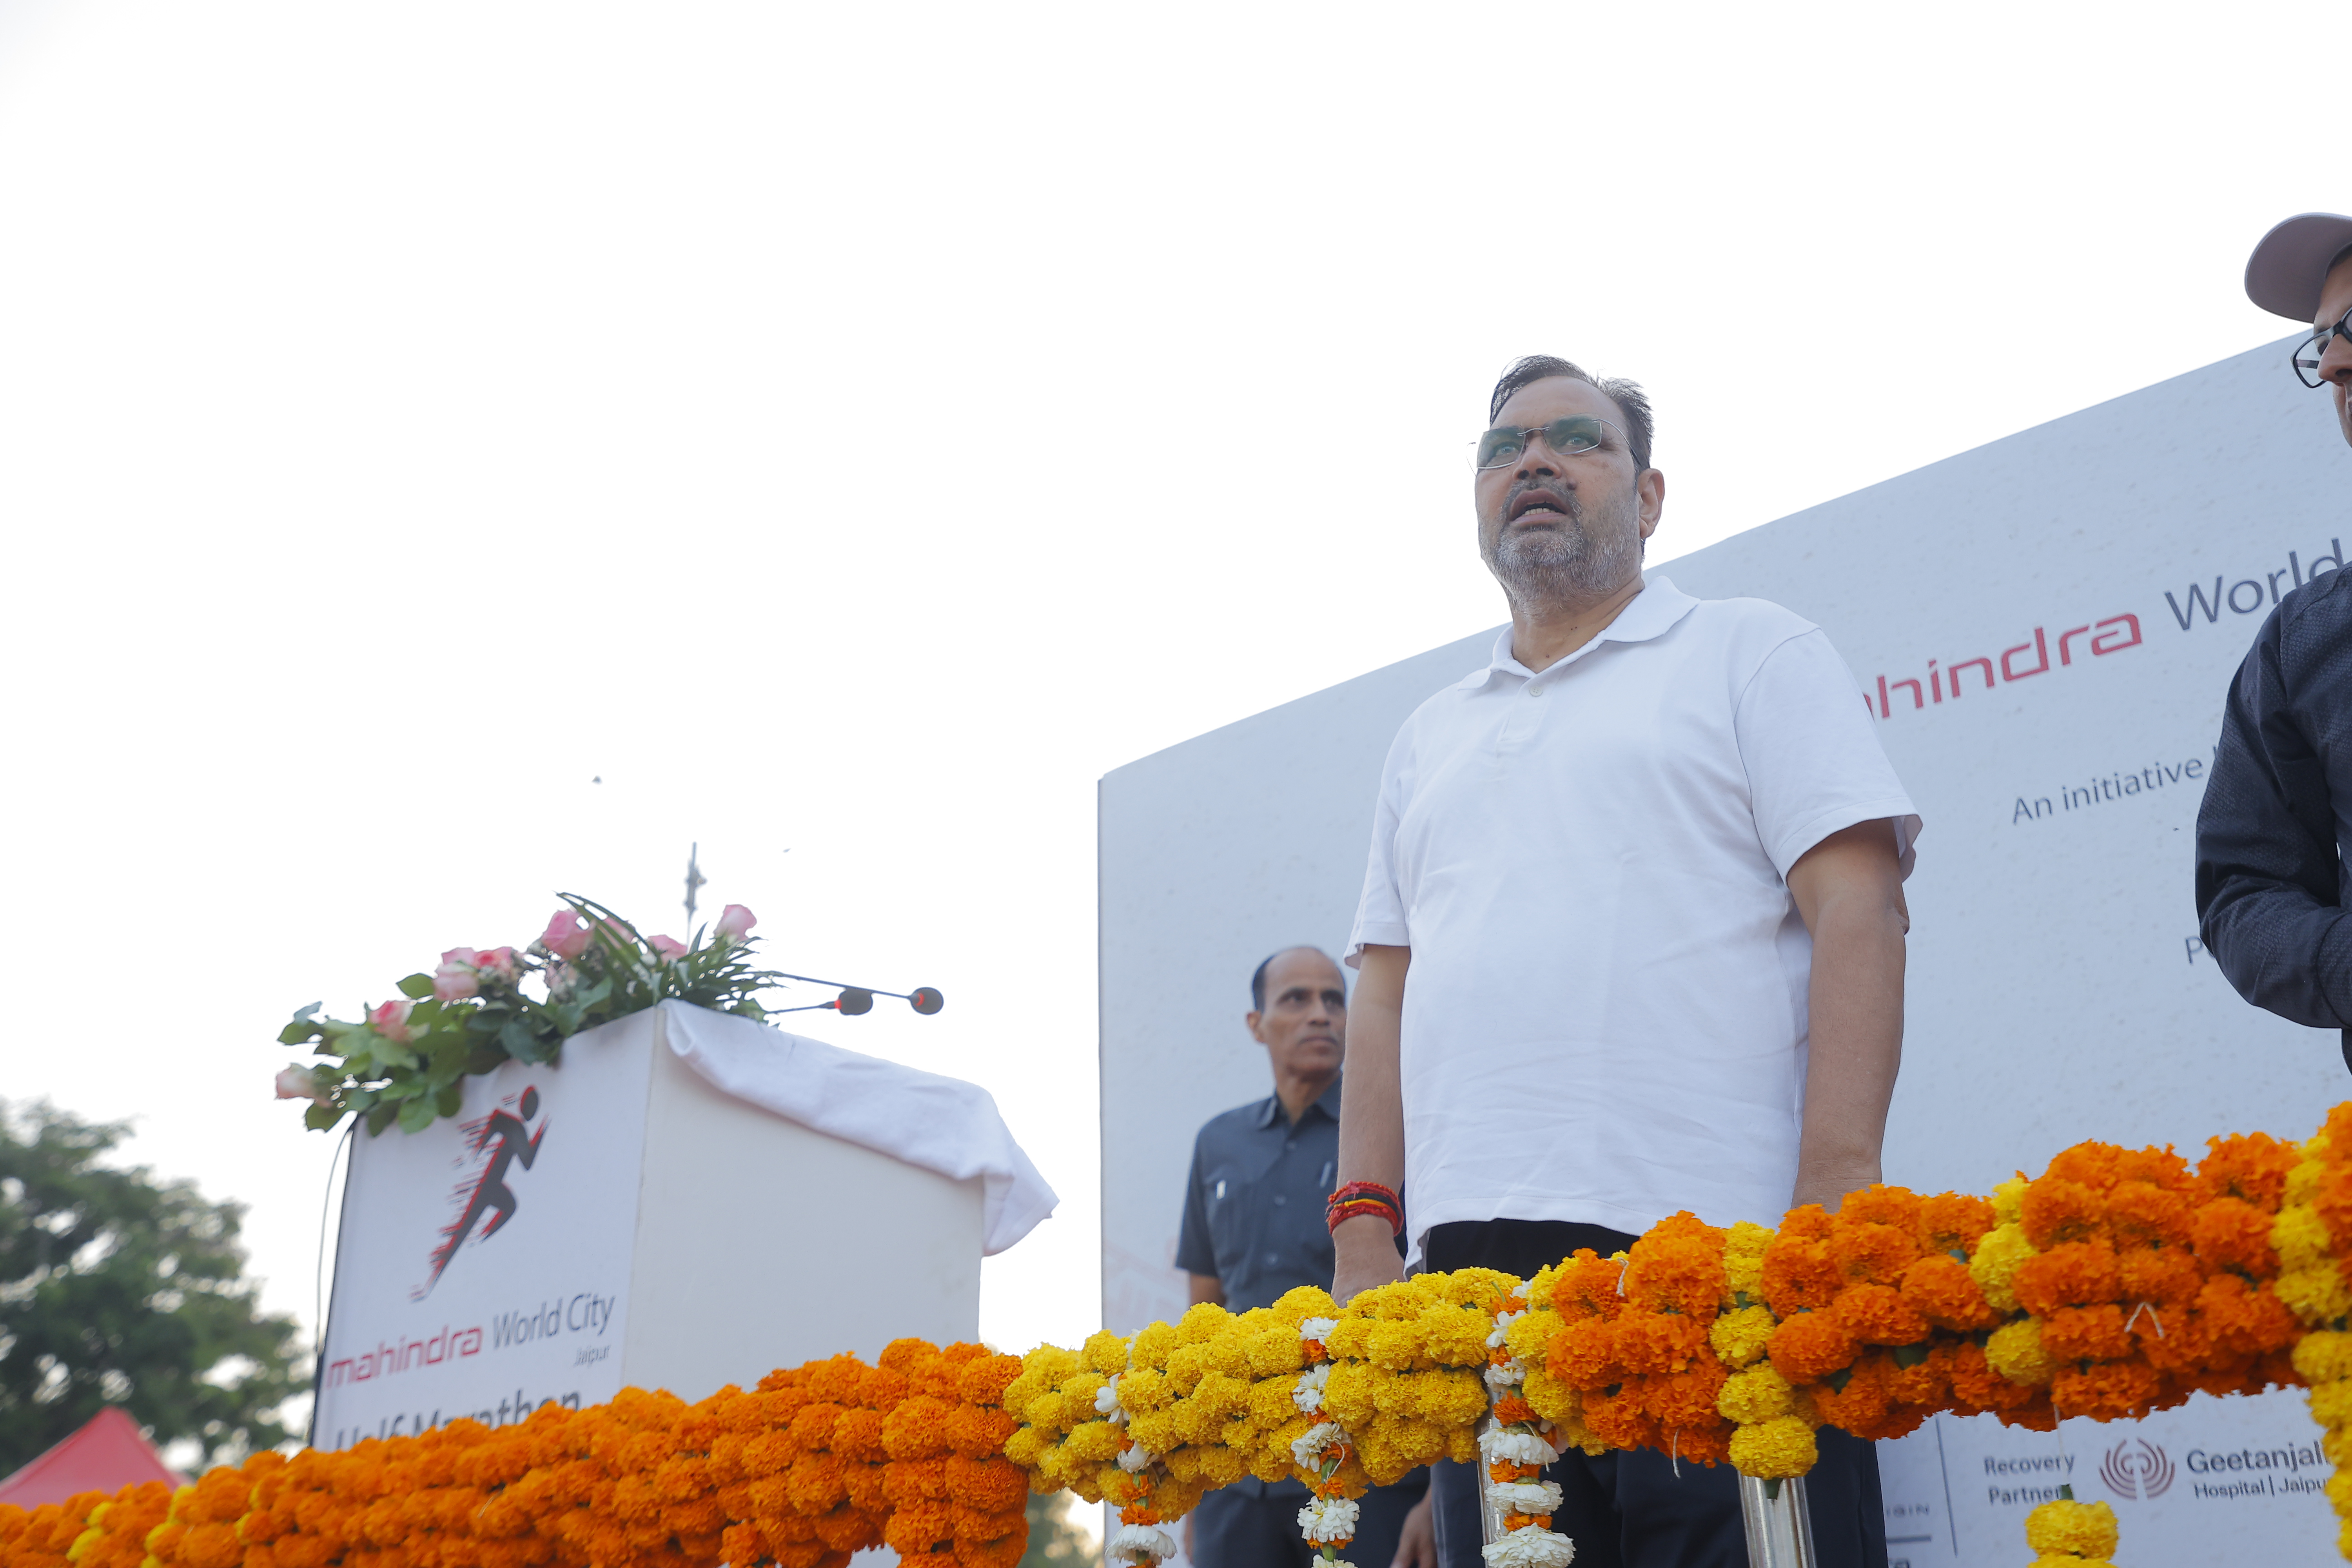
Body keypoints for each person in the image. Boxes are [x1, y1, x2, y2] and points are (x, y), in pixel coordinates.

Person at [1330, 358, 1920, 1568]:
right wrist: (1363, 1234)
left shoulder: (1751, 649)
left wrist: (1837, 1194)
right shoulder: (1427, 735)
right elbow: (1384, 991)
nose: (1533, 462)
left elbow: (1859, 906)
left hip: (1719, 1261)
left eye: (1576, 439)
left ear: (1649, 499)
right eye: (1503, 449)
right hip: (1476, 1301)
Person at [1177, 947, 1434, 1568]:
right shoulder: (1219, 1143)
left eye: (1334, 1000)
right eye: (1296, 999)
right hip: (1240, 1475)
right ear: (1256, 1024)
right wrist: (1192, 1483)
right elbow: (1203, 1317)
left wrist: (1437, 1497)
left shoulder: (1391, 1136)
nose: (1321, 1014)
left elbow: (1437, 1300)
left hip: (1367, 1468)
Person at [2195, 212, 2352, 1064]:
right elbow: (2244, 891)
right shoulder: (2304, 640)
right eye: (2323, 342)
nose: (2332, 364)